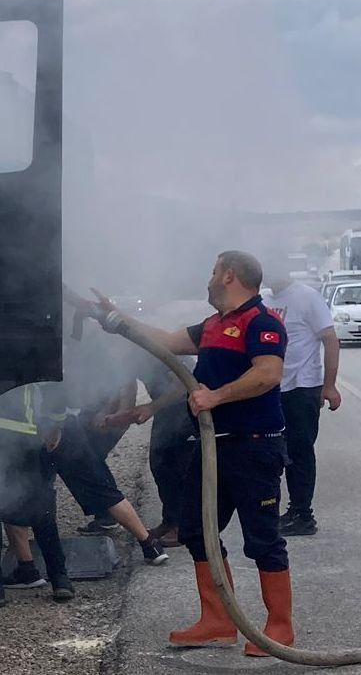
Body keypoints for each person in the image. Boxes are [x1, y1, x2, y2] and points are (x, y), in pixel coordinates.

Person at [97, 250, 293, 656]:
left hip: (254, 447)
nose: (208, 278)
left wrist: (216, 397)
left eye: (212, 270)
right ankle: (218, 622)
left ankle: (279, 628)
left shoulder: (262, 321)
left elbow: (268, 374)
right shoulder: (213, 326)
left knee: (263, 539)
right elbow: (166, 342)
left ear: (229, 276)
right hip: (210, 448)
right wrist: (119, 320)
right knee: (196, 530)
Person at [42, 333, 170, 565]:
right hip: (74, 424)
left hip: (66, 428)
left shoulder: (110, 355)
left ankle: (31, 566)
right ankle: (148, 542)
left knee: (89, 477)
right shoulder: (95, 354)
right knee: (96, 476)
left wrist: (113, 417)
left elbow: (124, 386)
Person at [0, 384, 75, 607]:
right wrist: (56, 421)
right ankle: (60, 579)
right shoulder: (27, 347)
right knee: (40, 506)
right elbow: (52, 382)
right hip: (22, 432)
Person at [264, 263, 342, 536]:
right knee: (271, 452)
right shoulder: (262, 299)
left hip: (302, 388)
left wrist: (330, 386)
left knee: (299, 453)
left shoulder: (307, 296)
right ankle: (274, 509)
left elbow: (331, 340)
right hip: (270, 389)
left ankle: (302, 514)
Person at [103, 354, 196, 548]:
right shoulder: (129, 355)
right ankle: (170, 521)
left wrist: (151, 407)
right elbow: (129, 387)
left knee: (183, 469)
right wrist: (118, 416)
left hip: (188, 409)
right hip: (165, 411)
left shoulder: (158, 350)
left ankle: (184, 527)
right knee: (160, 465)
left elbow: (181, 385)